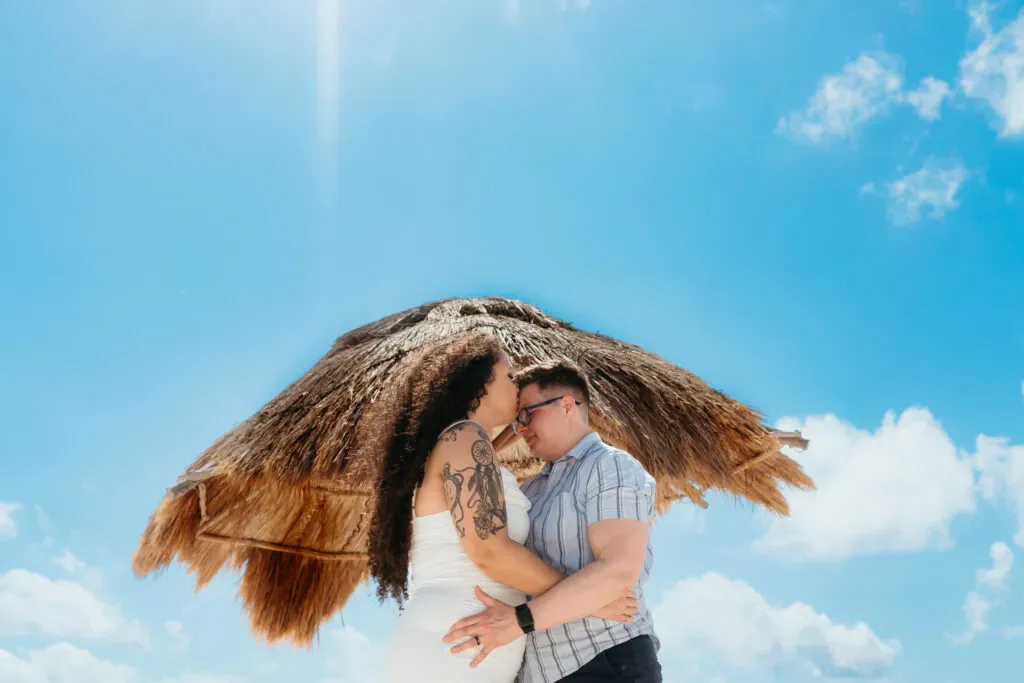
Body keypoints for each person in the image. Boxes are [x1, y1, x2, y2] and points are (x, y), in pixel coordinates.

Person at [368, 334, 637, 683]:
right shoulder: (465, 436)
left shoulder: (462, 442)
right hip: (456, 643)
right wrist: (589, 600)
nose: (517, 386)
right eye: (509, 376)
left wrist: (510, 428)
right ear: (479, 383)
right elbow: (490, 551)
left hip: (467, 641)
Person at [443, 360, 662, 682]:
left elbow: (617, 572)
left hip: (607, 659)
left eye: (528, 415)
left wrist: (519, 621)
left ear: (567, 405)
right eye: (517, 420)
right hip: (541, 672)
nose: (521, 429)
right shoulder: (530, 490)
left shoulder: (611, 466)